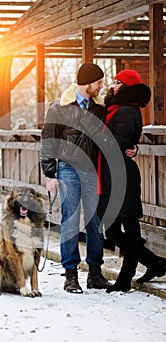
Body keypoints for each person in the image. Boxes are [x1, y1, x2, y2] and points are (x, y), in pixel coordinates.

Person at [81, 69, 165, 292]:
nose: (113, 85)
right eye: (114, 81)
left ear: (127, 87)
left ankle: (125, 279)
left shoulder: (127, 111)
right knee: (114, 230)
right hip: (112, 175)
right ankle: (155, 263)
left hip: (122, 177)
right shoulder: (116, 109)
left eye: (119, 82)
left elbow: (116, 143)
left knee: (125, 227)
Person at [40, 62, 112, 293]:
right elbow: (48, 140)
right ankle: (70, 275)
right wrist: (49, 173)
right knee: (70, 221)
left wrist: (131, 149)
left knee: (95, 222)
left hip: (92, 171)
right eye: (99, 82)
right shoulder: (59, 108)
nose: (101, 86)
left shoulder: (99, 107)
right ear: (87, 83)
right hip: (68, 170)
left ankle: (95, 273)